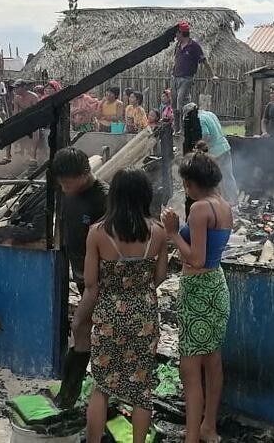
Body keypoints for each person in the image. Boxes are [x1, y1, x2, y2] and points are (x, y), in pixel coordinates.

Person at [79, 167, 169, 443]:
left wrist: (80, 320)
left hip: (108, 316)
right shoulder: (159, 233)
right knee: (141, 389)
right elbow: (160, 277)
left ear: (114, 196)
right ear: (145, 195)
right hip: (144, 316)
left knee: (102, 386)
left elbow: (91, 284)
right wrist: (138, 293)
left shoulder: (97, 233)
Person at [162, 146, 232, 443]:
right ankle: (208, 426)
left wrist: (173, 232)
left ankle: (191, 437)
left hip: (199, 290)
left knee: (190, 367)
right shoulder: (223, 205)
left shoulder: (200, 208)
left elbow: (196, 258)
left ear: (190, 184)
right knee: (212, 360)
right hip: (216, 286)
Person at [52, 147, 108, 408]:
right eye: (60, 182)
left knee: (85, 328)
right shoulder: (68, 195)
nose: (64, 187)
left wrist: (93, 282)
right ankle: (71, 394)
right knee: (83, 330)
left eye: (68, 182)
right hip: (80, 275)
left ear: (85, 173)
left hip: (101, 280)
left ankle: (97, 395)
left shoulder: (104, 200)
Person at [172, 21, 216, 129]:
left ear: (181, 33)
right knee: (174, 103)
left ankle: (184, 129)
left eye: (176, 34)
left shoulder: (194, 46)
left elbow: (204, 61)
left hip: (187, 78)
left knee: (180, 101)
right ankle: (176, 128)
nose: (175, 36)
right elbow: (176, 59)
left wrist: (212, 75)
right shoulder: (178, 45)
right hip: (175, 77)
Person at [195, 106, 238, 207]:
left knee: (214, 178)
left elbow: (206, 136)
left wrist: (199, 147)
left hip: (215, 152)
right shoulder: (210, 114)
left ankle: (217, 203)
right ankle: (233, 201)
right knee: (228, 176)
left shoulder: (200, 119)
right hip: (225, 147)